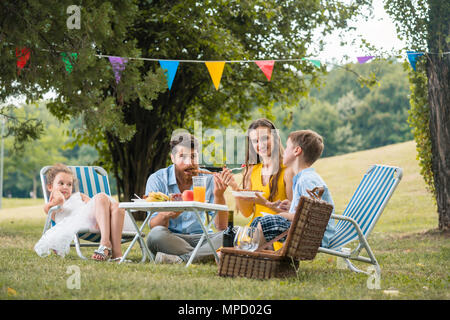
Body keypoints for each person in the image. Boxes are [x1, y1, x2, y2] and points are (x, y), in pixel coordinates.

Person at [145, 132, 229, 264]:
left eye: (193, 156)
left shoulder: (209, 180)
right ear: (172, 158)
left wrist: (219, 195)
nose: (189, 162)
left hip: (202, 238)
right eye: (182, 157)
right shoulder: (157, 179)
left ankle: (182, 259)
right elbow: (153, 225)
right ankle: (206, 255)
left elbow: (222, 226)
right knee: (155, 236)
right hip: (171, 238)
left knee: (233, 234)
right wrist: (166, 214)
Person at [251, 129, 336, 249]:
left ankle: (252, 257)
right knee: (259, 221)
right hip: (306, 230)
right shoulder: (303, 178)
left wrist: (284, 215)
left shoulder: (307, 180)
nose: (284, 152)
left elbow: (313, 215)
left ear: (297, 151)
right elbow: (306, 209)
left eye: (287, 148)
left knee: (265, 222)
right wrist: (291, 206)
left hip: (314, 235)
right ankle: (264, 258)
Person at [219, 118, 294, 250]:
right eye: (255, 141)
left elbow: (294, 212)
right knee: (222, 254)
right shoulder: (251, 171)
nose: (261, 144)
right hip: (253, 231)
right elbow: (246, 212)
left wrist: (266, 203)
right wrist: (235, 187)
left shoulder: (287, 170)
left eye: (265, 138)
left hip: (277, 235)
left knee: (232, 255)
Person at [34, 163, 132, 261]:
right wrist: (55, 194)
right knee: (101, 196)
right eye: (61, 183)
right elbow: (60, 201)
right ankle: (105, 243)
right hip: (78, 222)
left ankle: (117, 255)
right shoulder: (51, 207)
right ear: (50, 187)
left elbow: (95, 204)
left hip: (99, 220)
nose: (65, 187)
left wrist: (99, 216)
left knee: (117, 206)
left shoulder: (79, 196)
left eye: (69, 184)